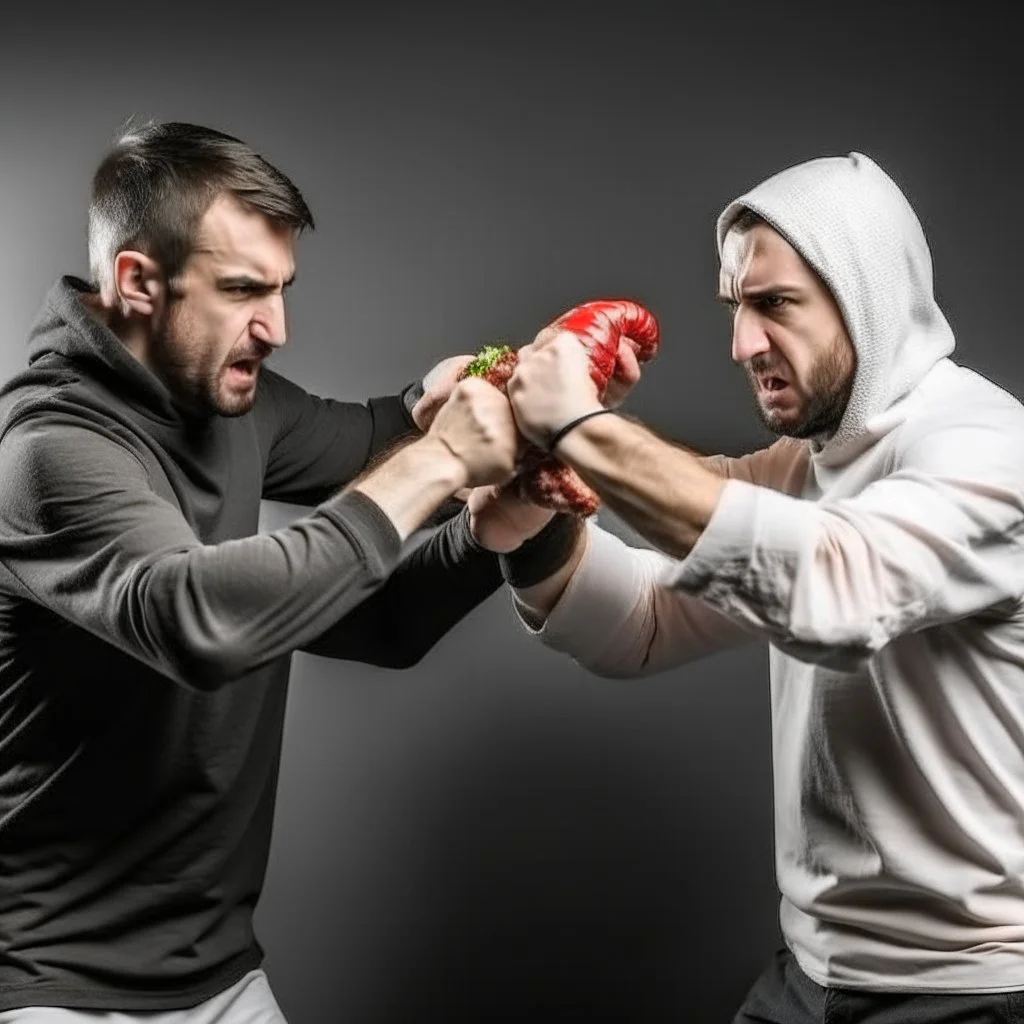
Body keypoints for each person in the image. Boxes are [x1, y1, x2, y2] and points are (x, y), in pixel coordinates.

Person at [0, 120, 557, 1022]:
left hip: (224, 980)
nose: (279, 327)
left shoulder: (226, 401)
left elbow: (378, 608)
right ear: (138, 282)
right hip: (58, 992)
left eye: (283, 288)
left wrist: (488, 502)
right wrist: (441, 462)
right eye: (243, 290)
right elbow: (201, 620)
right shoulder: (54, 451)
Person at [470, 152, 1024, 1022]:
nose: (742, 345)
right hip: (810, 977)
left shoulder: (987, 448)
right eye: (736, 307)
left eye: (775, 306)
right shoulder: (806, 465)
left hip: (970, 994)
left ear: (866, 298)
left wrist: (580, 427)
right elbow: (642, 623)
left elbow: (838, 592)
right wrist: (536, 524)